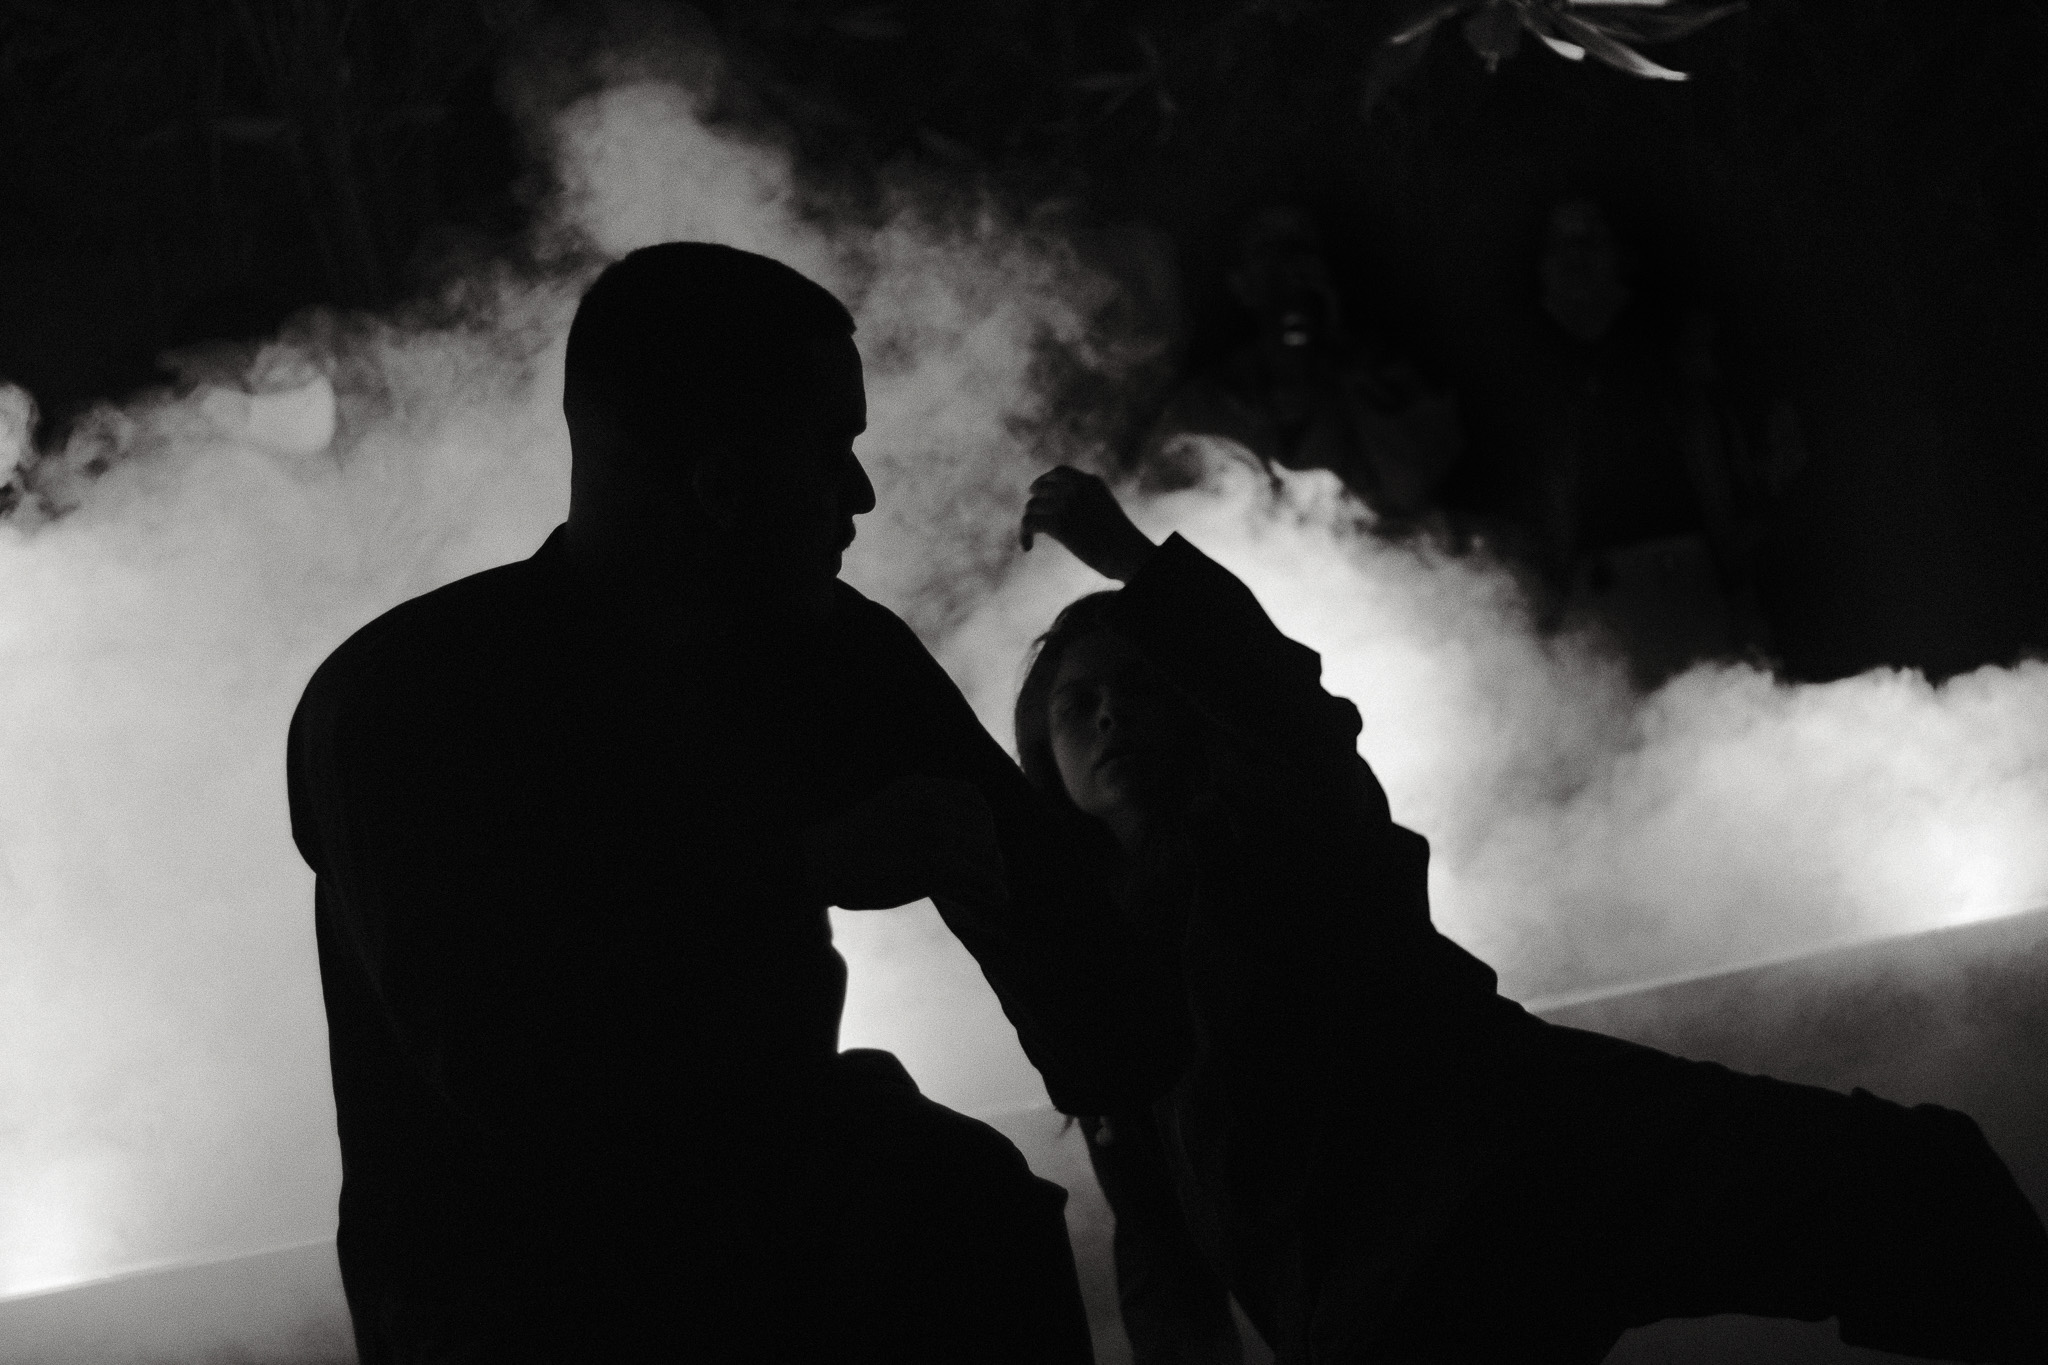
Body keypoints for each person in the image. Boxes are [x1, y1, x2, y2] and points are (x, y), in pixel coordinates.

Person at [286, 244, 1179, 1364]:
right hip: (527, 1311)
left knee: (965, 1204)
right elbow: (511, 1064)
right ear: (718, 481)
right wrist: (795, 869)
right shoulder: (410, 703)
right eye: (831, 448)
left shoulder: (836, 658)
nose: (859, 493)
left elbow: (1101, 1004)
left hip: (778, 1260)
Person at [1015, 462, 2048, 1364]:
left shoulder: (1277, 819)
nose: (1109, 714)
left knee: (1915, 1181)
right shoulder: (1093, 970)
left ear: (1190, 707)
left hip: (1538, 1152)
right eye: (1077, 703)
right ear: (1044, 754)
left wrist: (1137, 564)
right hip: (1393, 1291)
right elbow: (1159, 1254)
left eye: (1137, 687)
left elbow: (1291, 719)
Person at [1138, 207, 1463, 531]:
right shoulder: (1203, 404)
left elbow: (1412, 489)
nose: (1291, 275)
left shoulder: (1381, 386)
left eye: (1301, 255)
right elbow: (1157, 511)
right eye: (1269, 257)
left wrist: (1348, 365)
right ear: (1241, 284)